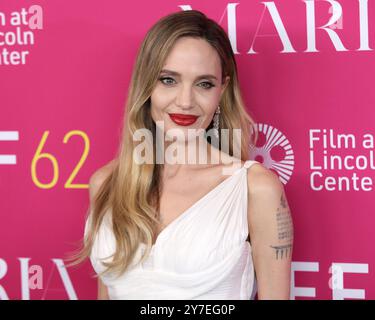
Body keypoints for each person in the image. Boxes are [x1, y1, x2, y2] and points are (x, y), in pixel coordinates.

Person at [67, 9, 294, 300]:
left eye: (204, 84)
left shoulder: (255, 188)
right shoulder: (106, 183)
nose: (185, 101)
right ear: (146, 84)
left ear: (222, 90)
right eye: (169, 80)